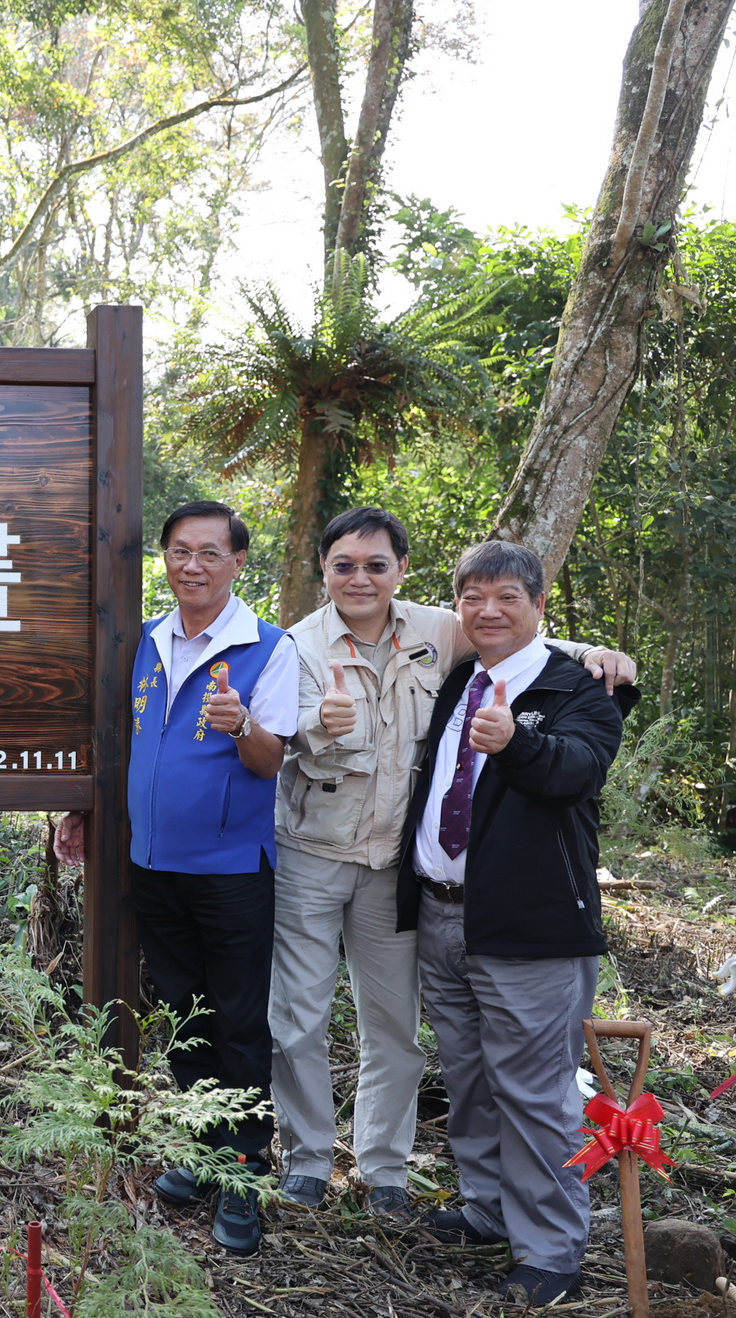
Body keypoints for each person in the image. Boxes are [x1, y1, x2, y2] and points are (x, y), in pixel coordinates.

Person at [270, 508, 635, 1217]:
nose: (360, 577)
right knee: (298, 1019)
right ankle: (308, 1156)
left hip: (394, 866)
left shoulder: (438, 627)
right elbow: (270, 741)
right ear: (323, 570)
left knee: (393, 1026)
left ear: (402, 570)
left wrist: (601, 653)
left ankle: (384, 1169)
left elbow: (516, 634)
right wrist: (318, 727)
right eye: (344, 564)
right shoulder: (296, 644)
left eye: (377, 564)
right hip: (311, 852)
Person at [396, 539, 636, 1307]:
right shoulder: (462, 677)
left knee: (535, 1092)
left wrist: (517, 741)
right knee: (467, 1076)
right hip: (443, 914)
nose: (488, 610)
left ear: (540, 605)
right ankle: (487, 1206)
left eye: (508, 596)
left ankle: (552, 1248)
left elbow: (575, 768)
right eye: (474, 596)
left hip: (532, 932)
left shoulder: (580, 689)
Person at [128, 500, 299, 1255]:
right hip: (153, 864)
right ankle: (201, 1151)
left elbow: (271, 761)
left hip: (231, 870)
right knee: (185, 1015)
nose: (190, 565)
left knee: (237, 1020)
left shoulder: (267, 647)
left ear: (236, 563)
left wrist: (241, 727)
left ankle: (244, 1170)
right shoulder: (144, 641)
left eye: (208, 553)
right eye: (178, 551)